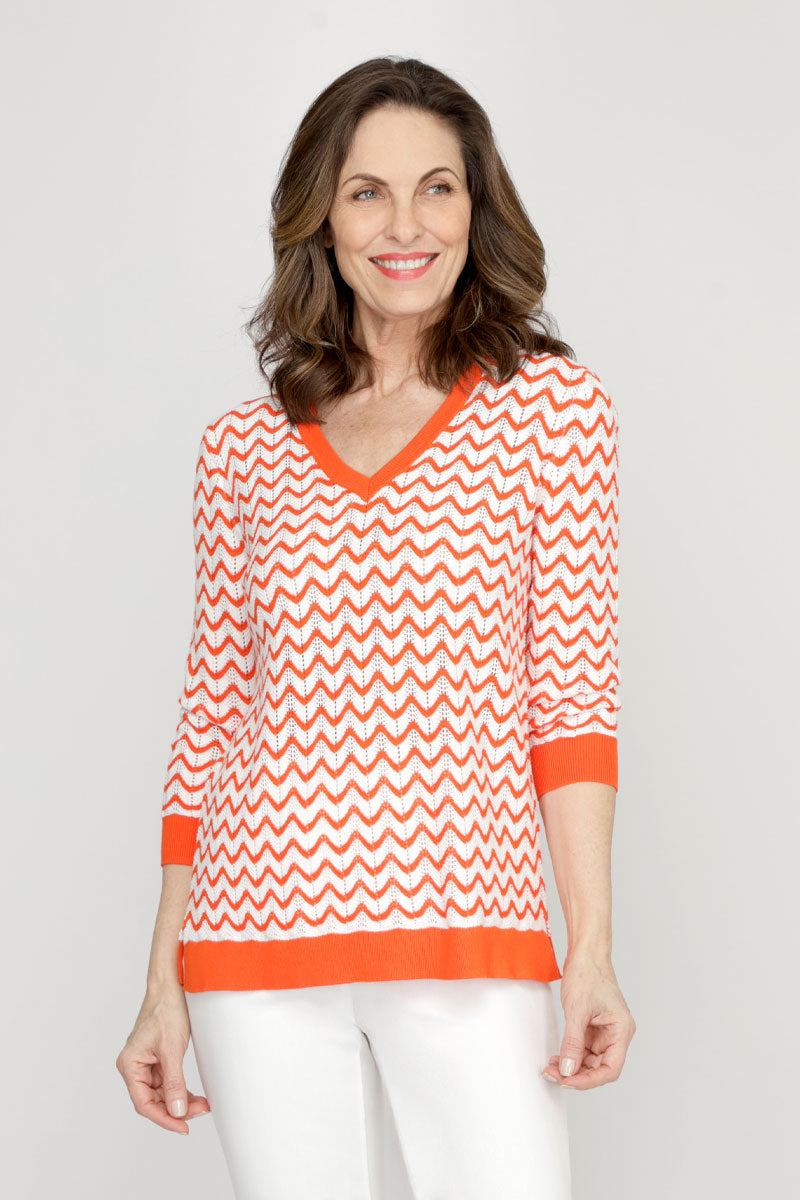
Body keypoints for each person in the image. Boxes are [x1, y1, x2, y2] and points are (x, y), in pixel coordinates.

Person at [116, 54, 636, 1200]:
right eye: (366, 193)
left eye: (435, 188)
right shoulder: (242, 449)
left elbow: (571, 692)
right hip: (250, 944)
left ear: (476, 206)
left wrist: (589, 949)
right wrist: (162, 978)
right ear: (322, 218)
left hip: (471, 939)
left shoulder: (552, 410)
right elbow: (212, 715)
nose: (405, 226)